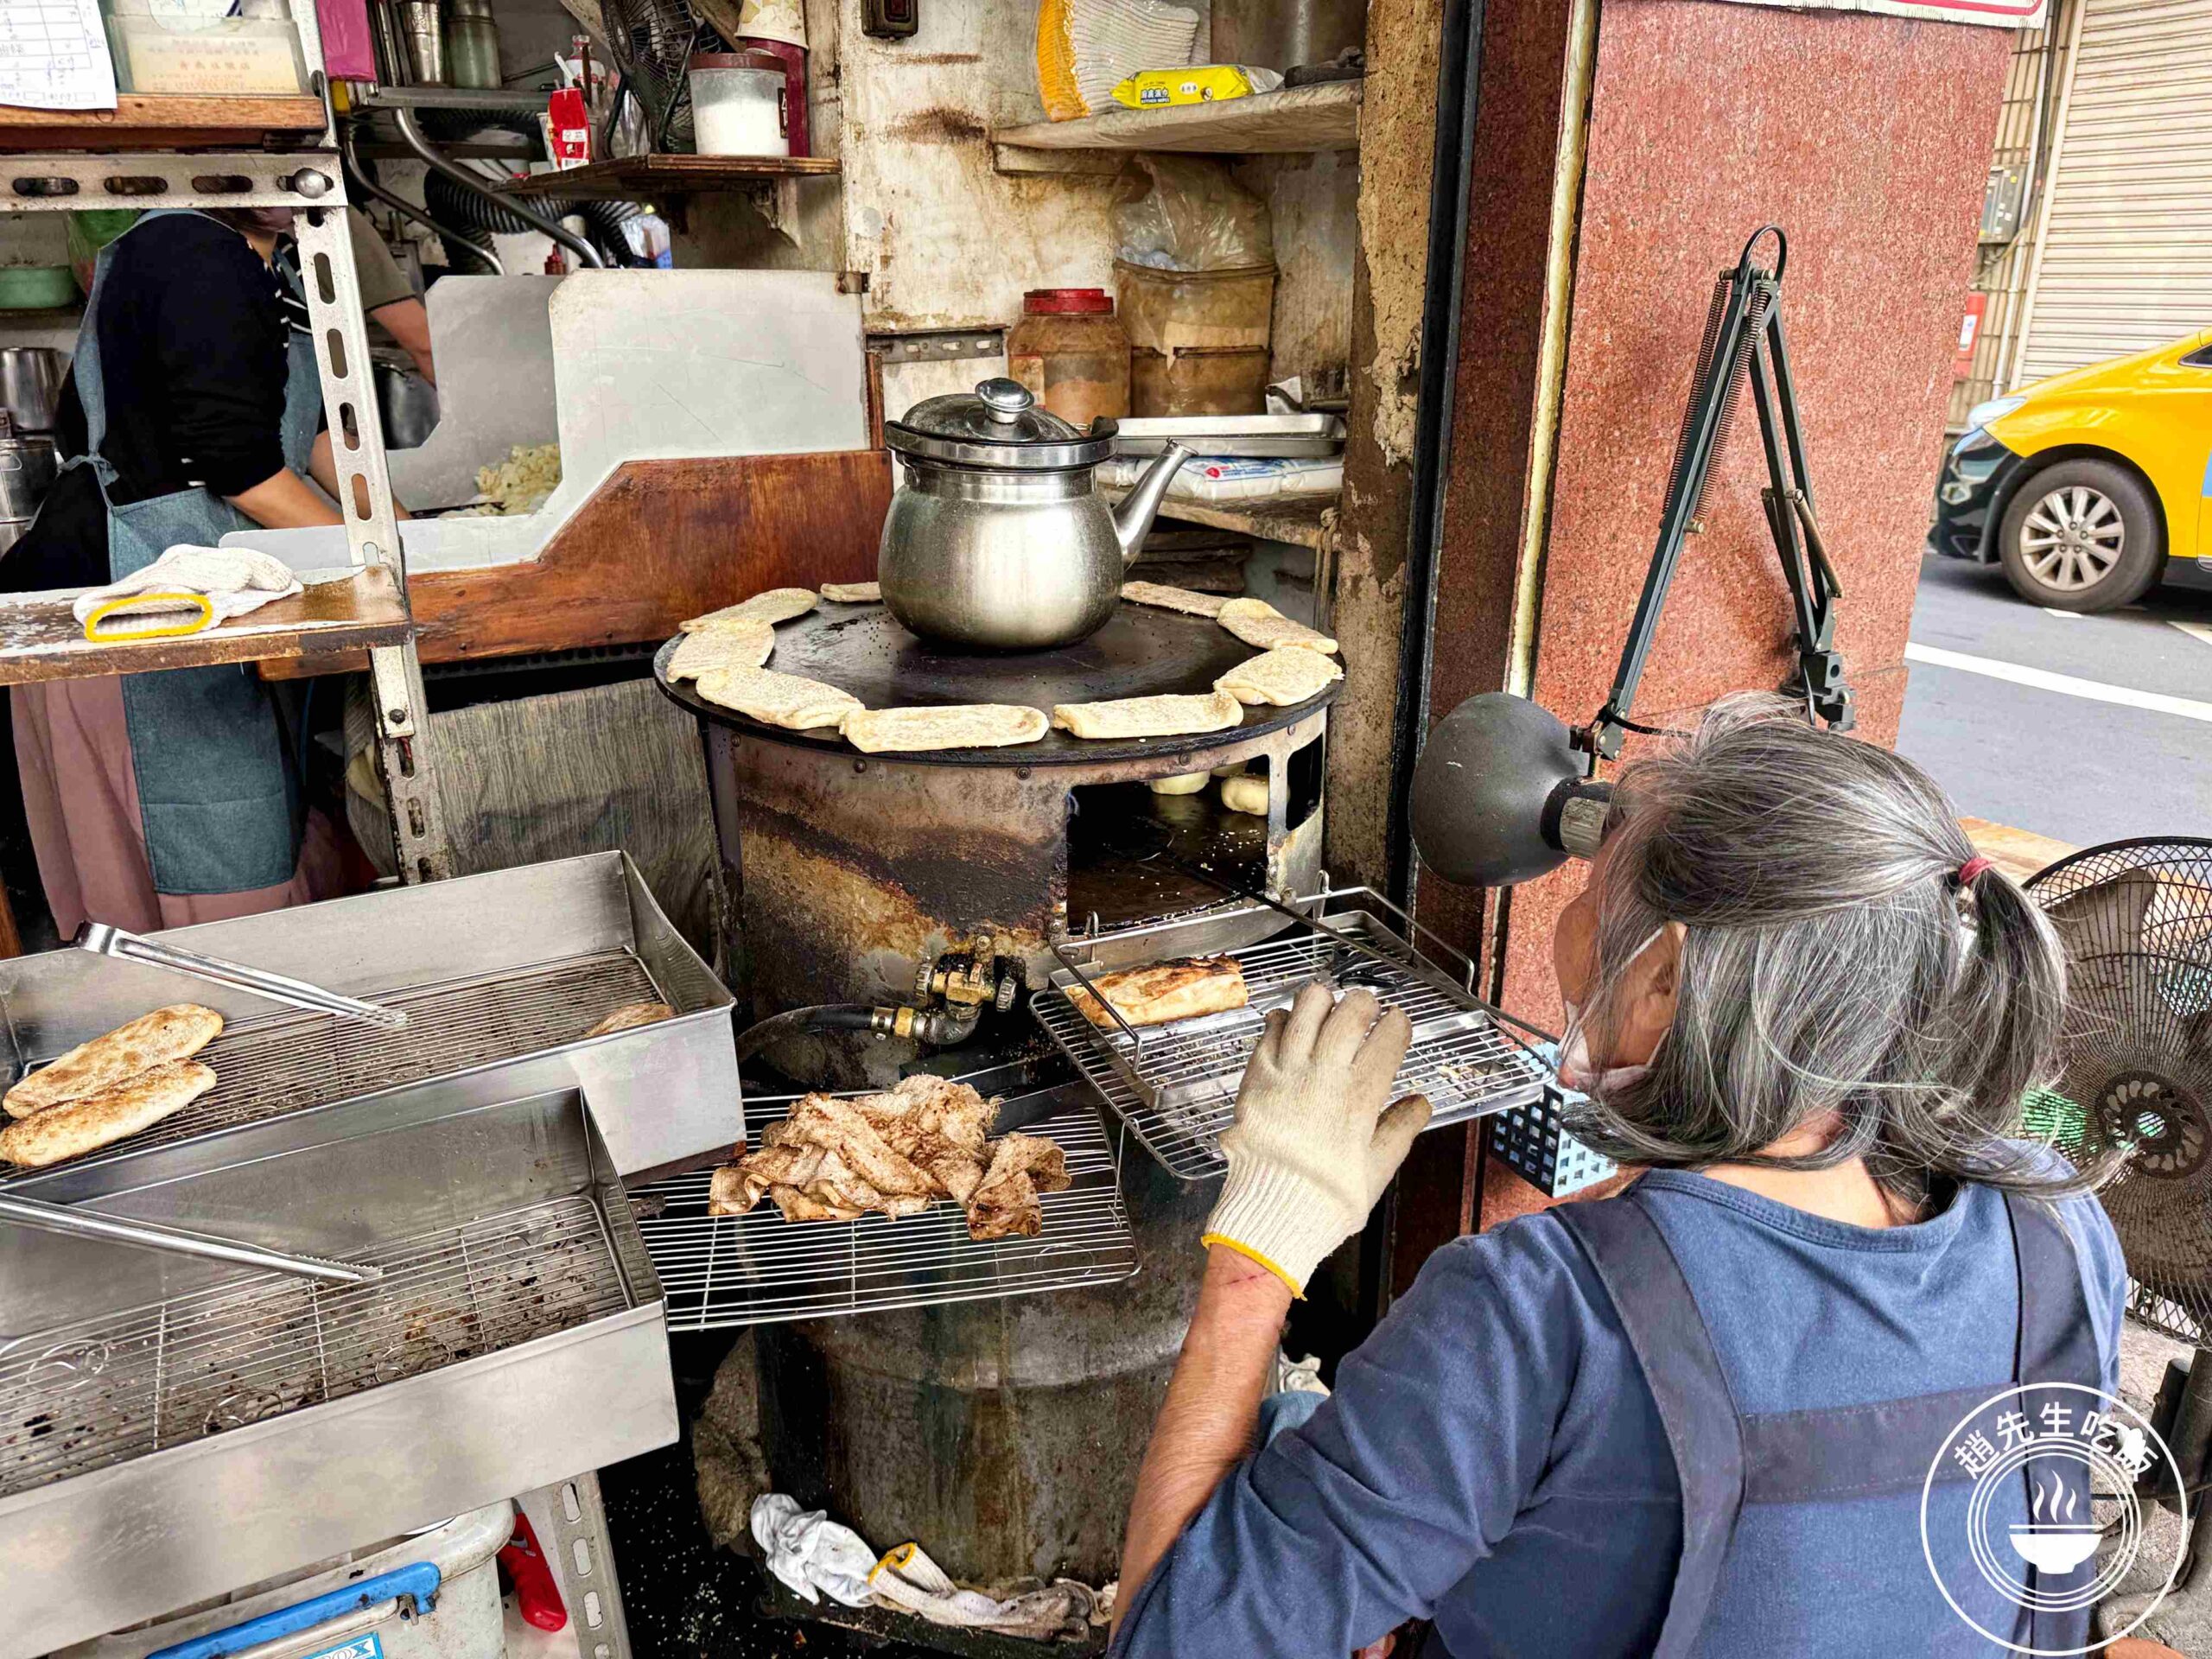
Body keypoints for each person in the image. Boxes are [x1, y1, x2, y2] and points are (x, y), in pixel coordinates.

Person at [1110, 696, 2171, 1658]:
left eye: (1585, 896)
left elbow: (1175, 1646)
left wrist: (1261, 1246)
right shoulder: (2053, 1223)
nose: (1572, 924)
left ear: (1662, 978)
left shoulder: (1531, 1315)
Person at [5, 206, 356, 934]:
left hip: (213, 594)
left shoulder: (280, 267)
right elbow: (241, 468)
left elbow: (313, 433)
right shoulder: (191, 250)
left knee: (258, 829)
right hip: (125, 611)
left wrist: (411, 531)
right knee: (212, 862)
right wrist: (377, 560)